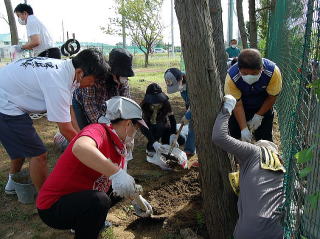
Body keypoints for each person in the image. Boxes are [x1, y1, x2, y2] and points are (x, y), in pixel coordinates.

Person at [36, 96, 153, 239]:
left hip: (79, 195)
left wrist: (136, 199)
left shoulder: (119, 145)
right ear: (128, 123)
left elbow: (120, 183)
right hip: (53, 207)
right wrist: (116, 173)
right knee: (99, 201)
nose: (136, 132)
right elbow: (80, 147)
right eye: (137, 127)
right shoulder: (97, 130)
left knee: (119, 189)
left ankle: (87, 221)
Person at [0, 48, 109, 193]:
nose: (93, 84)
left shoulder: (67, 70)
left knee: (21, 144)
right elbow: (65, 129)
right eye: (94, 80)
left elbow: (69, 111)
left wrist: (82, 136)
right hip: (5, 103)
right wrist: (90, 153)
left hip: (9, 95)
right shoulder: (58, 81)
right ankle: (46, 199)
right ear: (81, 73)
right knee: (38, 154)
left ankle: (13, 183)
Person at [212, 95, 285, 239]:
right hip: (277, 232)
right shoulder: (284, 170)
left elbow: (219, 137)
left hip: (248, 231)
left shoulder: (254, 152)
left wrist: (227, 108)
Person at [224, 48, 282, 142]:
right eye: (245, 73)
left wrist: (258, 116)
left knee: (264, 137)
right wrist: (243, 129)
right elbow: (237, 104)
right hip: (241, 108)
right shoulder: (231, 77)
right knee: (235, 136)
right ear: (239, 69)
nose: (249, 76)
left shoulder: (273, 72)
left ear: (261, 68)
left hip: (263, 106)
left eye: (254, 73)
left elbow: (272, 96)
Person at [72, 48, 133, 129]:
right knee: (85, 131)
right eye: (121, 74)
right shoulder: (96, 77)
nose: (124, 78)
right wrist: (100, 120)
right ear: (113, 71)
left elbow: (126, 101)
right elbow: (89, 104)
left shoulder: (123, 81)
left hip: (101, 104)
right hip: (81, 102)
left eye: (125, 75)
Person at [140, 83, 185, 156]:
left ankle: (165, 138)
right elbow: (143, 127)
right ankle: (153, 142)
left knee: (181, 140)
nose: (156, 102)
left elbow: (172, 119)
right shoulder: (144, 106)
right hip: (149, 127)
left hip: (163, 124)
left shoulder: (165, 103)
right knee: (153, 146)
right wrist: (153, 141)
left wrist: (173, 135)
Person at [164, 68, 196, 157]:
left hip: (204, 106)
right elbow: (189, 102)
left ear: (181, 78)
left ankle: (192, 149)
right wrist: (188, 113)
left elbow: (197, 102)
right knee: (191, 125)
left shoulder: (193, 84)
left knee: (196, 126)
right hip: (192, 108)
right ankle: (189, 150)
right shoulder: (183, 87)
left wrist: (188, 115)